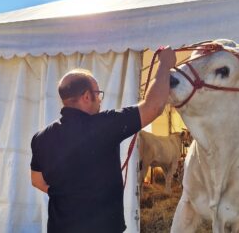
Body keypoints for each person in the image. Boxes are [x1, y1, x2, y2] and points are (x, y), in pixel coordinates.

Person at [30, 47, 176, 233]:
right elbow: (153, 107)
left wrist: (68, 195)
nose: (100, 100)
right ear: (86, 96)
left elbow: (36, 180)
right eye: (98, 94)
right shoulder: (105, 125)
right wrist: (164, 64)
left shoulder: (41, 137)